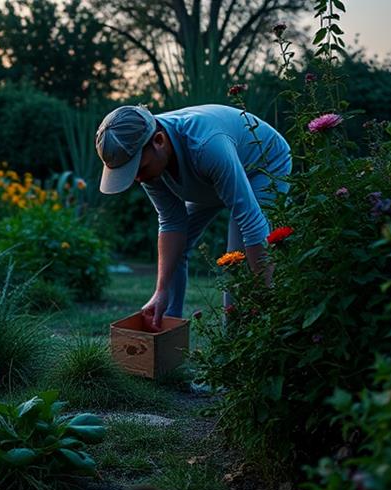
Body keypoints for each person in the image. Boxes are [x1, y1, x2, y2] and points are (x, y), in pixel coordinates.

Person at [95, 103, 292, 331]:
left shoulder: (207, 145)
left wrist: (266, 293)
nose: (138, 178)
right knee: (174, 251)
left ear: (159, 141)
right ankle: (168, 333)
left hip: (262, 165)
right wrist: (161, 290)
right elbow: (171, 223)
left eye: (139, 168)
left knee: (236, 259)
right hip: (207, 177)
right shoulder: (149, 159)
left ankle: (236, 345)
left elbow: (251, 222)